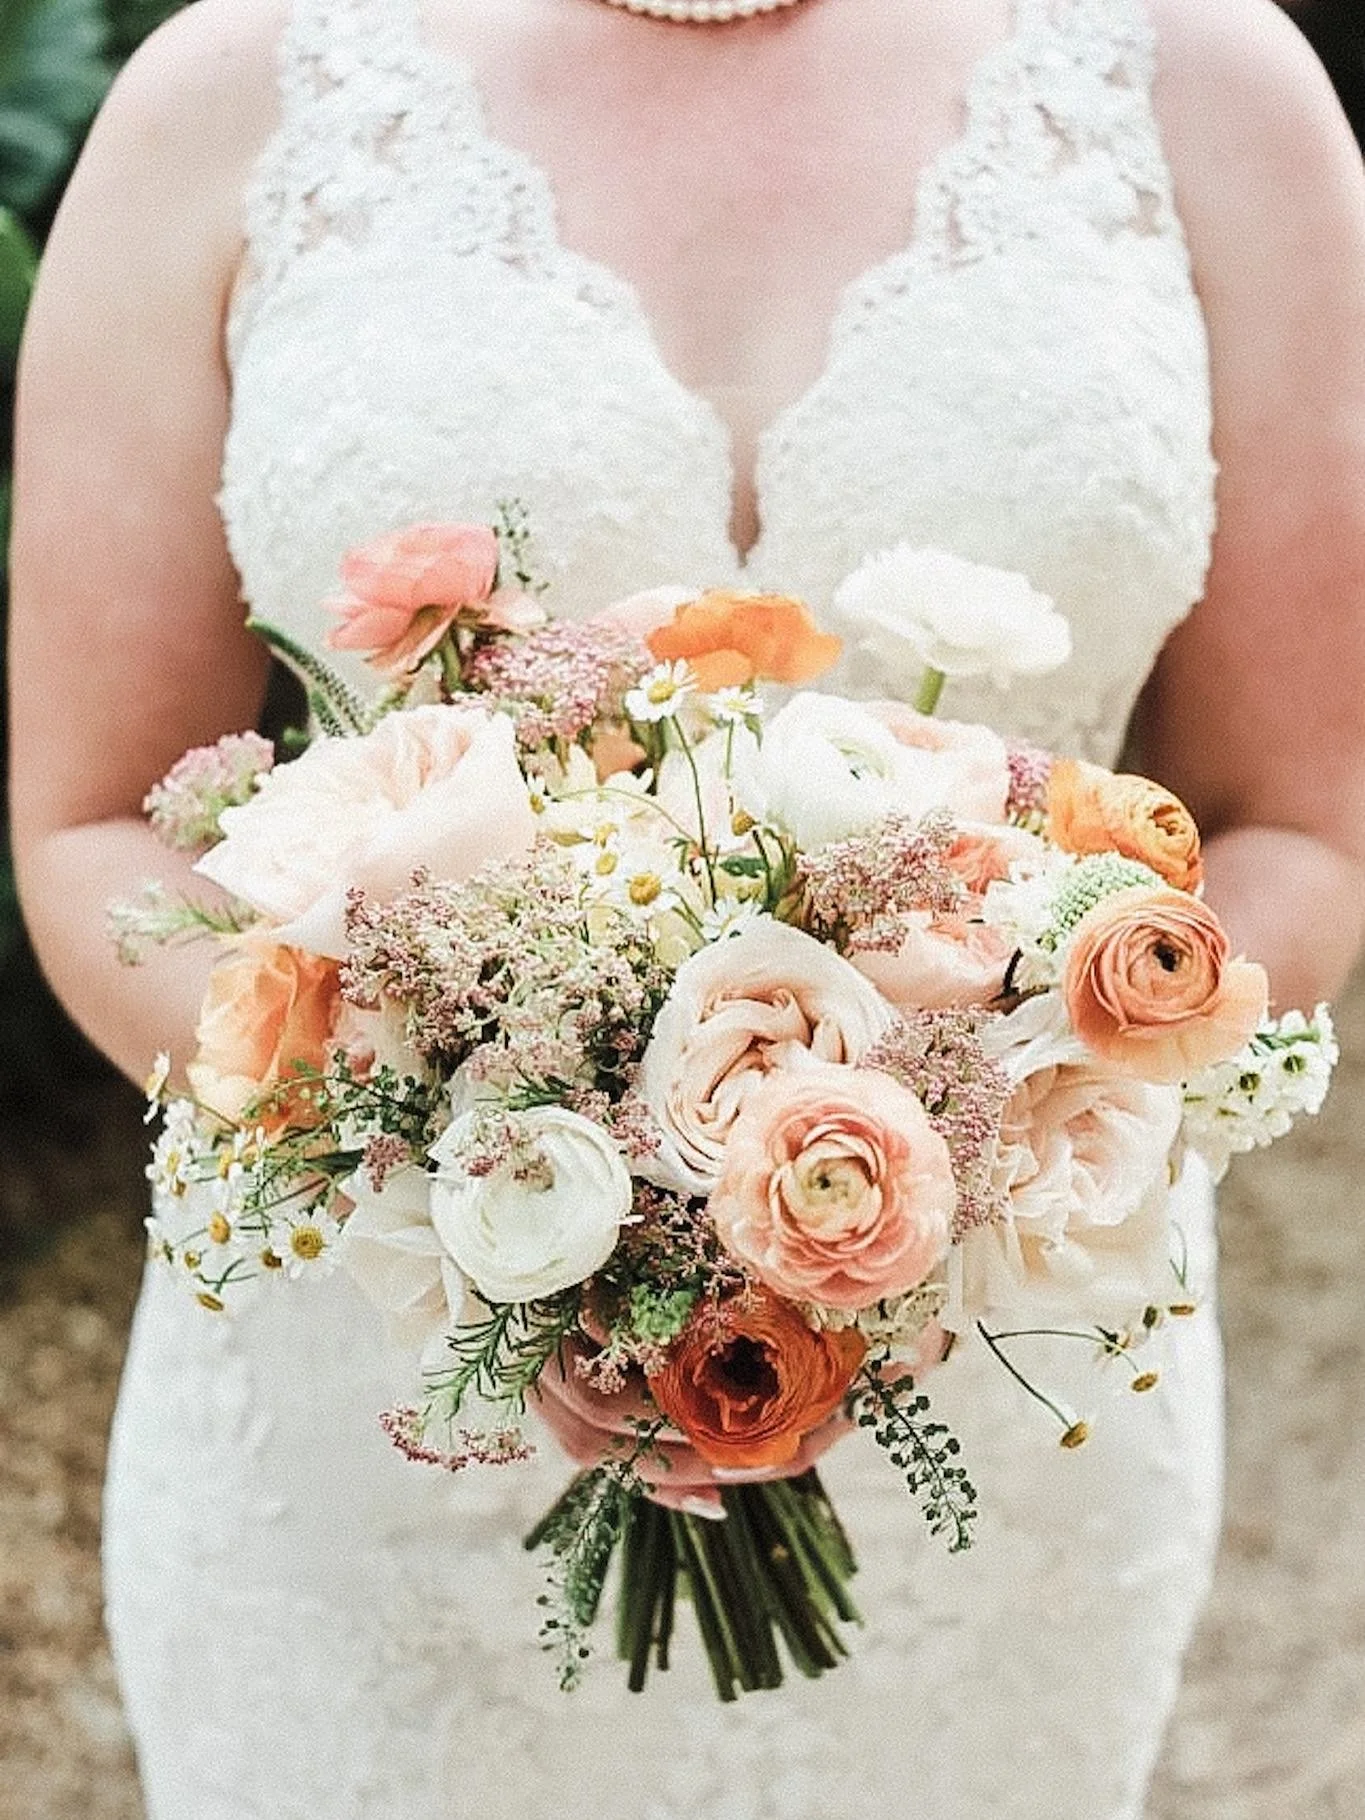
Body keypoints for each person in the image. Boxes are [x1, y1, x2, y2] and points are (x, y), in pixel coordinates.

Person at [8, 0, 1365, 1815]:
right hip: (382, 1434)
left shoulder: (1206, 82)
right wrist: (480, 1171)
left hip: (996, 1416)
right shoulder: (237, 92)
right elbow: (97, 822)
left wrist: (958, 1157)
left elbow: (1298, 823)